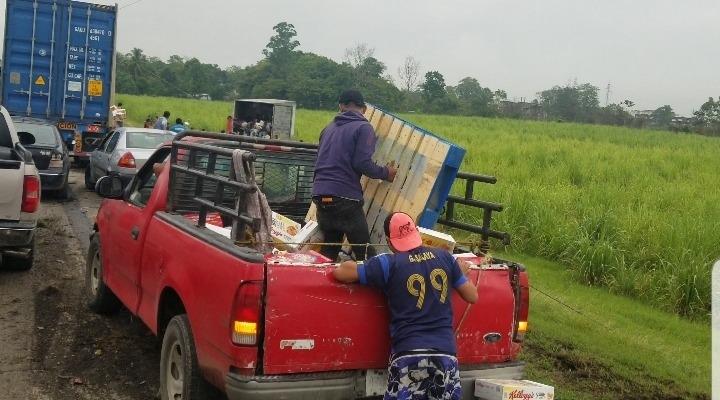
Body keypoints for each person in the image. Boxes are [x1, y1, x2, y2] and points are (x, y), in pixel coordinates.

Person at [333, 212, 478, 400]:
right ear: (416, 232)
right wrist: (459, 272)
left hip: (408, 354)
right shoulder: (445, 258)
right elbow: (472, 296)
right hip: (445, 353)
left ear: (389, 240)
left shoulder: (388, 264)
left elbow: (341, 272)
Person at [312, 89, 397, 261]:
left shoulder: (327, 129)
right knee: (364, 253)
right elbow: (362, 163)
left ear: (340, 106)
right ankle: (370, 286)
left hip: (320, 196)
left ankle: (323, 284)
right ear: (364, 109)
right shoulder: (363, 127)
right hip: (345, 198)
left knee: (330, 251)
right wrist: (386, 173)